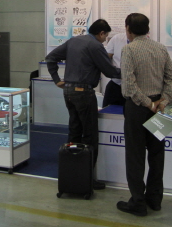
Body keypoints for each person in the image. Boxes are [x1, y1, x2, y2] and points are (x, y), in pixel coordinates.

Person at [45, 19, 121, 191]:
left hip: (68, 92)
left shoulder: (73, 41)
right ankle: (87, 178)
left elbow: (50, 58)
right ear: (101, 33)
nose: (106, 40)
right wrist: (130, 73)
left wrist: (56, 80)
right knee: (90, 135)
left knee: (74, 132)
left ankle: (71, 175)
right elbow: (109, 71)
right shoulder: (96, 46)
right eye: (106, 36)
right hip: (84, 93)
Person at [117, 13, 172, 217]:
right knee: (157, 154)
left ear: (128, 29)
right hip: (160, 108)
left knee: (135, 156)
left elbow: (129, 86)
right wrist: (164, 101)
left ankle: (138, 202)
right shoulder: (161, 48)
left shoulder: (129, 49)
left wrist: (148, 104)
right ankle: (155, 199)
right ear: (147, 29)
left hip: (138, 108)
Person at [103, 31, 128, 108]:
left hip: (135, 86)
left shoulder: (145, 44)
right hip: (116, 83)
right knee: (107, 110)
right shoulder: (118, 38)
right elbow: (107, 58)